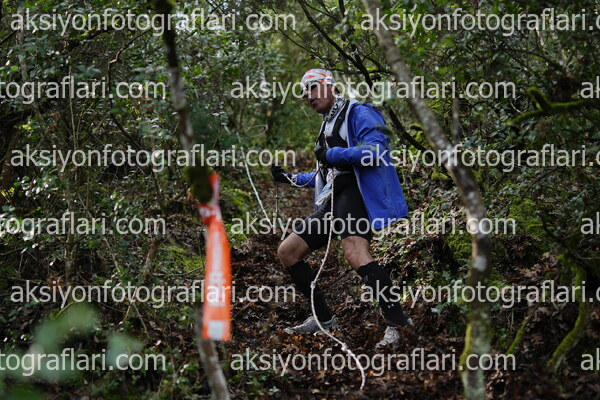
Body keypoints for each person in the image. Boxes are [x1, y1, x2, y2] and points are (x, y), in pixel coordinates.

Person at [271, 68, 412, 348]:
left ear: (330, 85)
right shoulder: (327, 124)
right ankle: (323, 320)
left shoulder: (358, 112)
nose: (308, 96)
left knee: (355, 253)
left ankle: (397, 322)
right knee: (288, 252)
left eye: (312, 87)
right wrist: (290, 178)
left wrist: (333, 154)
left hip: (358, 195)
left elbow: (376, 151)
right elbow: (323, 175)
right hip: (334, 199)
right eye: (304, 92)